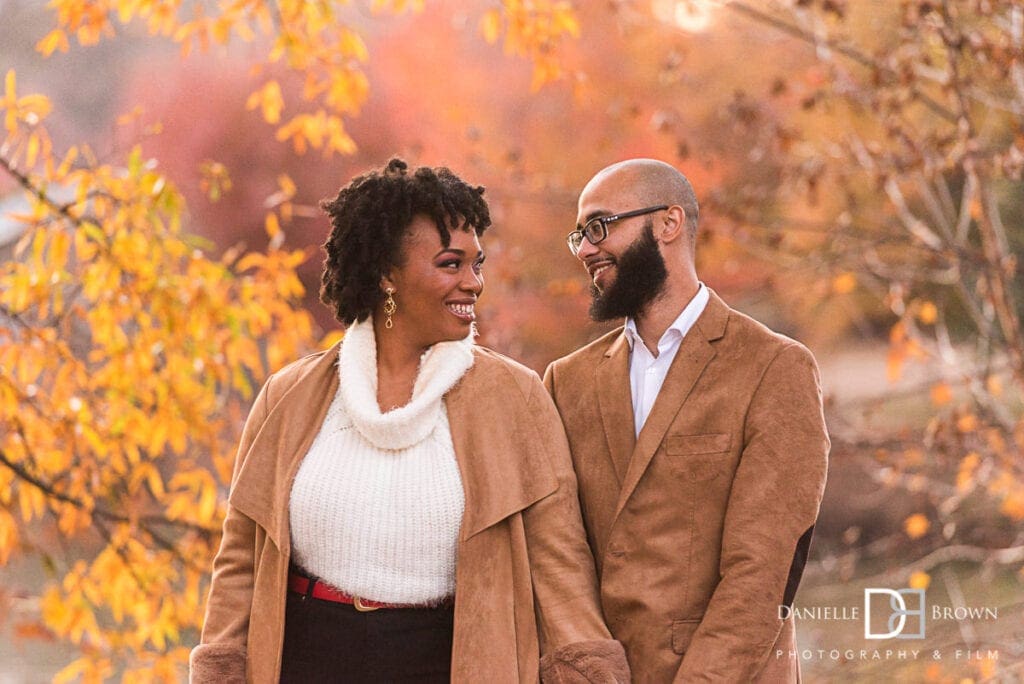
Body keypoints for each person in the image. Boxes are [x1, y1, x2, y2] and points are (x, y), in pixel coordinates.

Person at [190, 159, 629, 683]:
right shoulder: (291, 396)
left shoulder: (515, 399)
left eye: (477, 264)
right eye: (450, 264)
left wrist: (588, 671)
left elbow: (560, 565)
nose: (474, 283)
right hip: (302, 662)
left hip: (447, 662)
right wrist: (219, 670)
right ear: (386, 274)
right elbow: (240, 559)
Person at [543, 158, 830, 682]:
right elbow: (558, 552)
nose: (585, 249)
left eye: (600, 227)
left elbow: (762, 573)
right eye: (580, 235)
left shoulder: (773, 368)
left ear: (668, 223)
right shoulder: (567, 381)